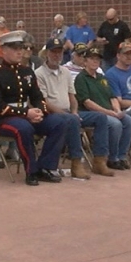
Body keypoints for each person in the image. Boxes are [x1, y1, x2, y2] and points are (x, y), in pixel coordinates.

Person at [0, 30, 78, 186]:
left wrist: (41, 111)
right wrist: (26, 113)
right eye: (15, 48)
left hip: (27, 115)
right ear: (4, 50)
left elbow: (37, 96)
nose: (20, 51)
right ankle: (31, 170)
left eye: (22, 47)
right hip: (2, 118)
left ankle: (46, 166)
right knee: (24, 128)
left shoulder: (27, 71)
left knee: (60, 122)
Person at [34, 38, 106, 178]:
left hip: (70, 112)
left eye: (59, 52)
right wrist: (68, 115)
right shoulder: (39, 73)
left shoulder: (66, 72)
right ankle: (76, 163)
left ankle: (99, 160)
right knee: (72, 120)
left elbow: (72, 96)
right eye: (53, 52)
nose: (57, 55)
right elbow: (44, 101)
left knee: (101, 117)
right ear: (46, 53)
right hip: (51, 114)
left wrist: (74, 111)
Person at [74, 47, 131, 171]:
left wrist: (117, 110)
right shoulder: (81, 78)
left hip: (110, 111)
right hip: (93, 113)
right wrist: (109, 113)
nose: (95, 61)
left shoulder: (102, 78)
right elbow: (87, 103)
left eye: (97, 59)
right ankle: (112, 158)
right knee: (115, 124)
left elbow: (112, 97)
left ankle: (121, 156)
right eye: (92, 59)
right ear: (85, 61)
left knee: (130, 122)